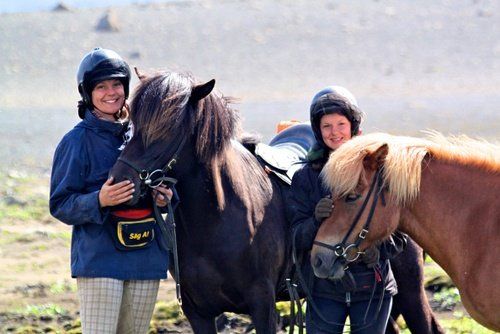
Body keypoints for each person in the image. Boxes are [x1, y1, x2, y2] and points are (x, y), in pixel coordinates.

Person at [50, 48, 174, 334]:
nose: (111, 92)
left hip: (146, 258)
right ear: (87, 93)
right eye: (101, 86)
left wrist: (164, 198)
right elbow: (60, 203)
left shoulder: (146, 136)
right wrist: (99, 200)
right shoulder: (76, 141)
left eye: (116, 84)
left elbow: (169, 183)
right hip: (100, 261)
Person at [288, 86, 406, 333]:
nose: (335, 132)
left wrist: (379, 249)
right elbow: (295, 237)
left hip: (372, 289)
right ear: (318, 132)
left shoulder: (379, 173)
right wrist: (315, 220)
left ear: (352, 126)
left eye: (340, 124)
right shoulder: (306, 178)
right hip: (323, 291)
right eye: (327, 126)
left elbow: (400, 234)